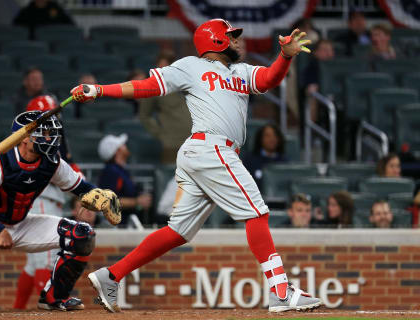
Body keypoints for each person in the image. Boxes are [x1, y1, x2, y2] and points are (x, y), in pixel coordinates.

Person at [71, 18, 320, 312]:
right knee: (257, 213)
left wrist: (285, 56)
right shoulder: (191, 65)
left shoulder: (241, 71)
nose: (236, 40)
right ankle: (279, 290)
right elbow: (148, 87)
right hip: (211, 147)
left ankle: (111, 275)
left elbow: (267, 80)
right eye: (231, 35)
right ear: (215, 40)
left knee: (178, 232)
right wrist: (100, 90)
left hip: (205, 153)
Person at [0, 110, 119, 311]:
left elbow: (80, 187)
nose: (50, 139)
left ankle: (54, 298)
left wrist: (101, 197)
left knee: (83, 235)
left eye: (51, 133)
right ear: (24, 138)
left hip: (20, 223)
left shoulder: (52, 162)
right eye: (44, 134)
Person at [13, 95, 82, 309]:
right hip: (42, 197)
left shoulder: (54, 138)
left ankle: (17, 309)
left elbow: (68, 166)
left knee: (32, 266)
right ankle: (50, 306)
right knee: (46, 260)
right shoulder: (36, 142)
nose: (53, 122)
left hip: (45, 197)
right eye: (48, 117)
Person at [138, 51, 192, 164]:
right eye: (160, 67)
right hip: (171, 144)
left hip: (193, 143)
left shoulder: (185, 84)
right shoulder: (153, 87)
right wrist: (160, 134)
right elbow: (144, 115)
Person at [97, 134, 152, 225]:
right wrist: (137, 202)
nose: (125, 146)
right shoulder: (111, 171)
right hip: (119, 226)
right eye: (122, 145)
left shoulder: (119, 170)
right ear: (117, 151)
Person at [244, 124, 287, 189]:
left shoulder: (284, 162)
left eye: (275, 136)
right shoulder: (250, 160)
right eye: (267, 136)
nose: (272, 139)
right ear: (260, 139)